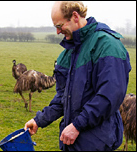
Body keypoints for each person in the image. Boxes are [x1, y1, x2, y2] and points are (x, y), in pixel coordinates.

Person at [24, 1, 131, 151]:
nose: (57, 32)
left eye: (59, 26)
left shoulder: (107, 45)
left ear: (74, 16)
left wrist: (77, 125)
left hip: (97, 143)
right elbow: (63, 97)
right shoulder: (70, 52)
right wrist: (39, 120)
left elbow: (109, 96)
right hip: (73, 141)